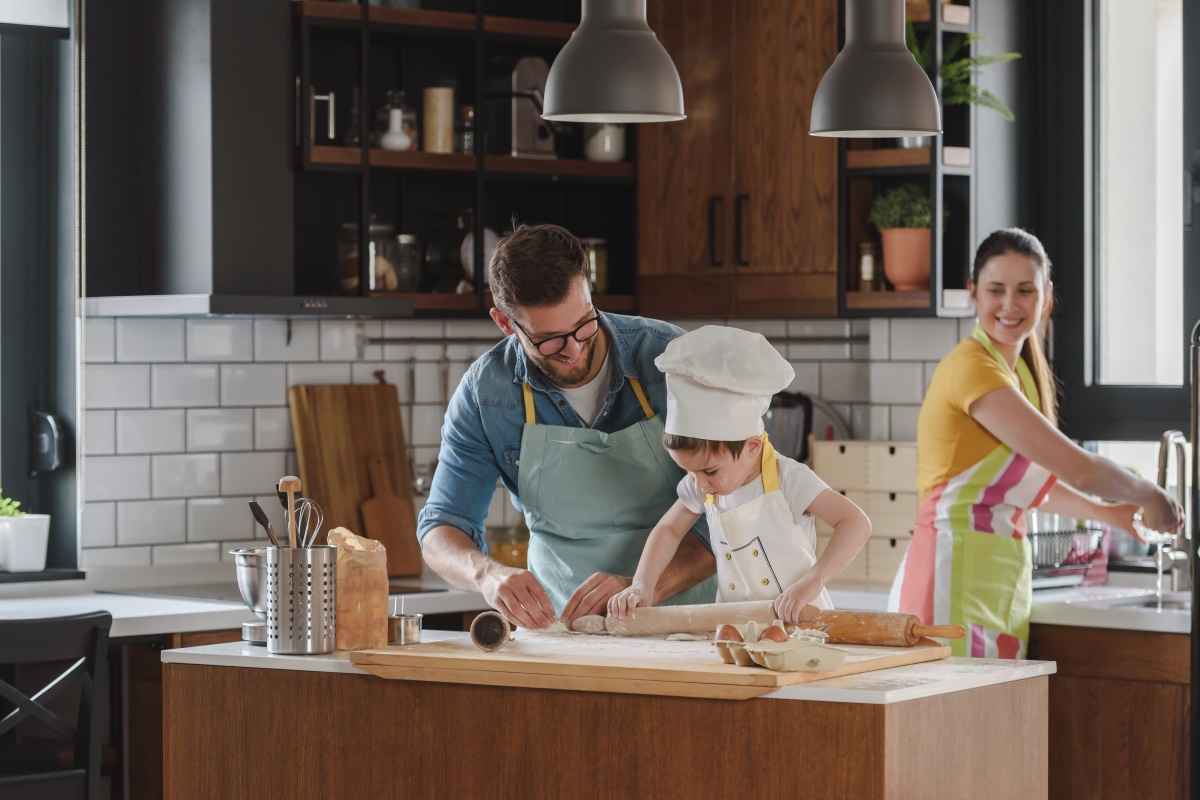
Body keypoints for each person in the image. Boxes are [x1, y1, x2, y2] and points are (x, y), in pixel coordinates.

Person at [889, 227, 1184, 658]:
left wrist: (1107, 514)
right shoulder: (972, 369)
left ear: (1045, 296)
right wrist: (1149, 494)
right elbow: (1079, 468)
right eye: (996, 290)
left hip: (996, 581)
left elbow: (1027, 486)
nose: (1010, 304)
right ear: (973, 293)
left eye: (1025, 290)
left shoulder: (1018, 374)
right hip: (947, 580)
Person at [417, 223, 717, 629]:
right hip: (565, 630)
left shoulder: (668, 359)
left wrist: (641, 587)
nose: (574, 350)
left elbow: (737, 507)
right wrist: (488, 574)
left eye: (583, 324)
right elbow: (441, 527)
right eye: (550, 340)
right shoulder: (485, 394)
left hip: (690, 620)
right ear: (506, 324)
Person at [608, 325, 872, 624]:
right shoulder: (701, 483)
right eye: (689, 471)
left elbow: (855, 522)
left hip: (801, 624)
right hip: (734, 629)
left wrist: (814, 580)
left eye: (709, 471)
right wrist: (642, 584)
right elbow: (668, 530)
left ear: (752, 446)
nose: (698, 484)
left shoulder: (789, 479)